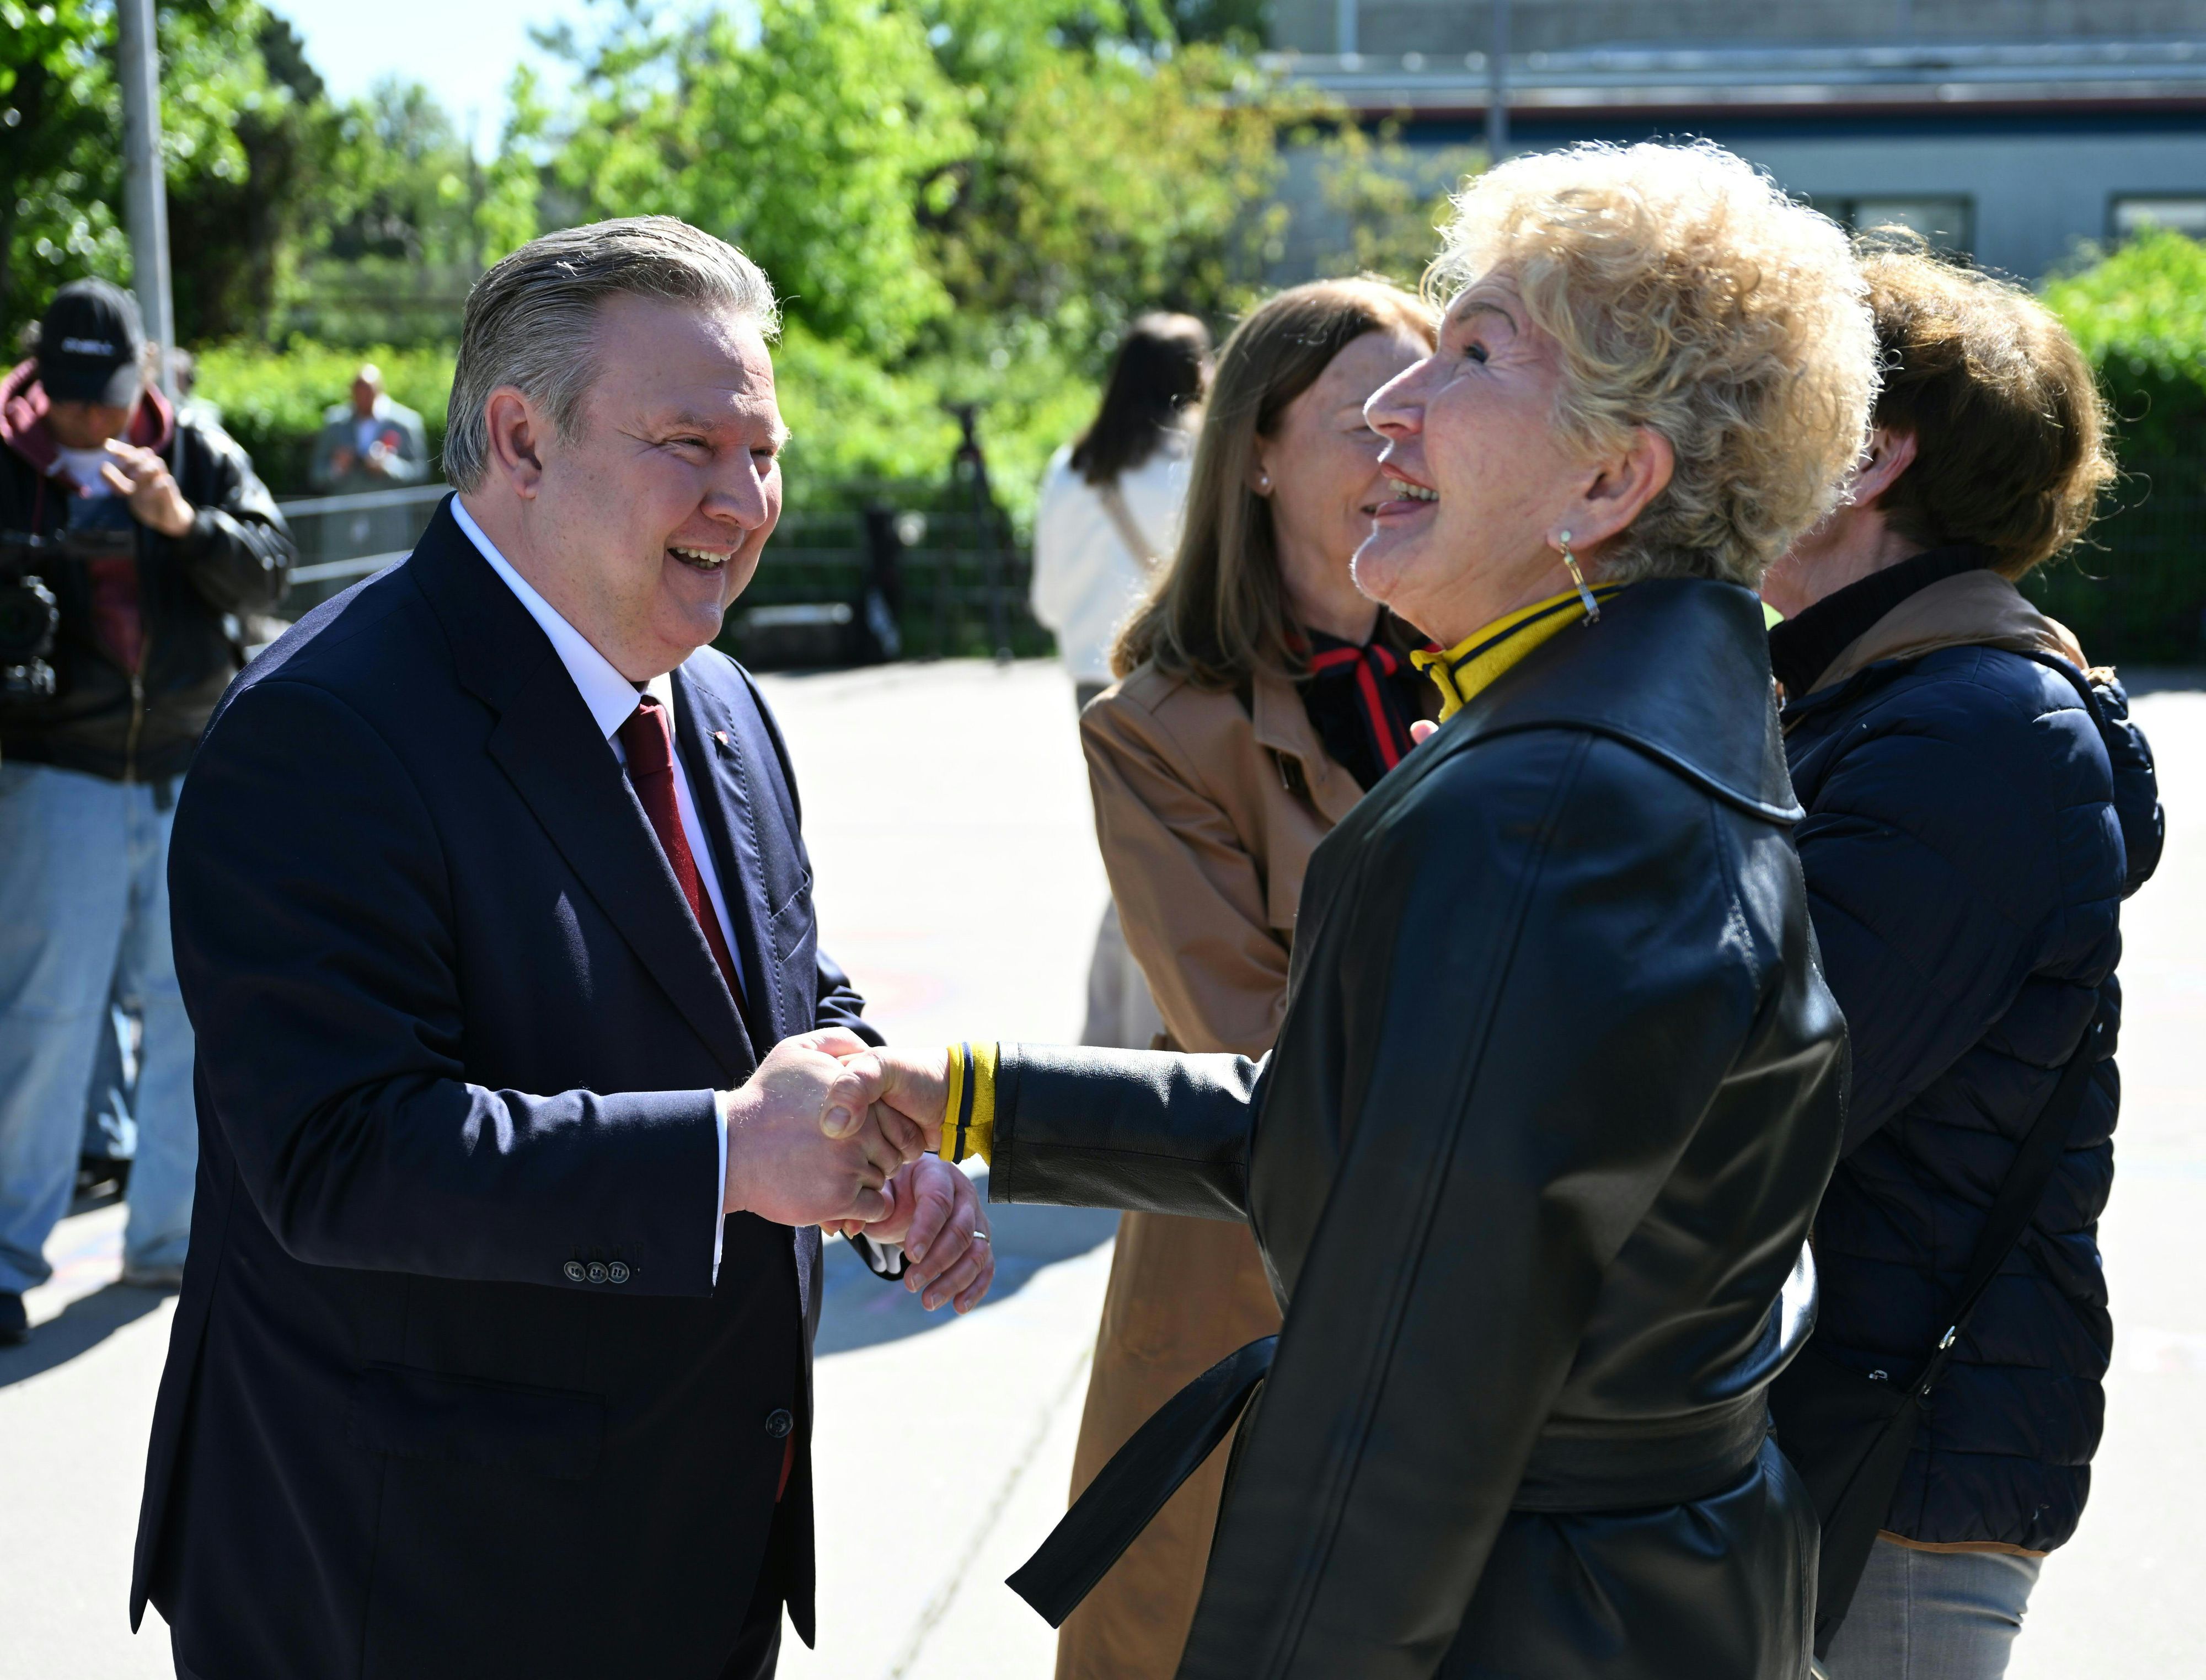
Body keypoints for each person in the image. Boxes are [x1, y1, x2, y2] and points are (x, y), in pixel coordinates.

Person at [855, 139, 1878, 1677]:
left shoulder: (1549, 808)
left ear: (1611, 480)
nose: (1392, 405)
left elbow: (1400, 1405)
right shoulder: (1609, 743)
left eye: (1473, 355)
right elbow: (1386, 1136)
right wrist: (979, 1095)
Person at [131, 218, 994, 1680]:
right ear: (522, 441)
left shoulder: (719, 700)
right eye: (690, 445)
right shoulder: (324, 728)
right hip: (408, 1583)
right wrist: (729, 1151)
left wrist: (874, 1137)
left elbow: (772, 993)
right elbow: (336, 1152)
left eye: (765, 451)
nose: (749, 498)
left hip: (689, 1552)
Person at [1760, 244, 2162, 1679]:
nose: (1709, 439)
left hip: (1901, 1460)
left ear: (1866, 457)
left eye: (1762, 400)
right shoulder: (1873, 694)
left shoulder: (1974, 731)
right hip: (1855, 1422)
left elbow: (1768, 1095)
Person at [1059, 277, 1437, 1680]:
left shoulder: (1501, 669)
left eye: (1425, 411)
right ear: (1259, 454)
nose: (1406, 447)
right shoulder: (1157, 729)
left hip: (1489, 1291)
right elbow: (1253, 1042)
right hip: (1261, 1286)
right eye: (1363, 420)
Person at [0, 277, 296, 1339]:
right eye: (75, 400)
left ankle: (169, 1240)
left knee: (190, 1017)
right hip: (53, 767)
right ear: (41, 382)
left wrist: (178, 521)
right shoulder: (7, 454)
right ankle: (5, 1257)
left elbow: (269, 573)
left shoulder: (199, 448)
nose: (93, 420)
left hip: (187, 765)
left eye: (109, 397)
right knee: (44, 1016)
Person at [1031, 313, 1212, 1051]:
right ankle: (1141, 1042)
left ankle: (1107, 1037)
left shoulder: (1071, 467)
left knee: (1128, 861)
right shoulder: (1200, 458)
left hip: (1089, 687)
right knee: (1173, 866)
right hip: (1175, 680)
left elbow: (1045, 598)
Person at [309, 361, 431, 492]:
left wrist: (388, 465)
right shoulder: (335, 422)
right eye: (358, 392)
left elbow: (421, 472)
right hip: (347, 508)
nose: (363, 398)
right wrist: (337, 468)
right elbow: (316, 475)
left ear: (379, 391)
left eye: (368, 392)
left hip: (388, 509)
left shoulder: (407, 422)